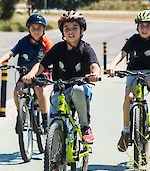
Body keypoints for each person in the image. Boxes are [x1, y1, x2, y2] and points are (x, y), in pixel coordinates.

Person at [22, 10, 101, 144]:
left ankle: (85, 127)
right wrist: (31, 74)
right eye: (67, 28)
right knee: (54, 127)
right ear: (62, 32)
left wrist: (95, 74)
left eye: (75, 28)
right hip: (60, 90)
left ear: (82, 29)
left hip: (81, 89)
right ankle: (56, 163)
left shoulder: (86, 49)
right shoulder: (58, 48)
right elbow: (41, 65)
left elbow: (94, 65)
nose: (71, 31)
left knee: (77, 90)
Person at [106, 10, 150, 152]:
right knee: (128, 97)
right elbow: (122, 54)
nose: (144, 29)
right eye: (141, 26)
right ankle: (125, 132)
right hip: (133, 72)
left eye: (147, 26)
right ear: (137, 27)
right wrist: (112, 66)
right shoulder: (134, 39)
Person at [0, 13, 53, 132]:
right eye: (33, 28)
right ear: (29, 29)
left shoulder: (46, 43)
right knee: (17, 91)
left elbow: (47, 59)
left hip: (41, 72)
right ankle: (22, 114)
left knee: (38, 89)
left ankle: (45, 120)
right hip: (25, 73)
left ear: (44, 29)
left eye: (39, 28)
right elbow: (11, 53)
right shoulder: (23, 42)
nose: (36, 31)